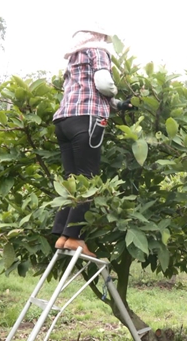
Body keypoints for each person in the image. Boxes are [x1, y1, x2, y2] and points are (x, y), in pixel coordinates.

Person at [51, 24, 135, 257]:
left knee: (72, 179)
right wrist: (115, 91)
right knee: (87, 179)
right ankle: (76, 238)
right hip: (86, 120)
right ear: (100, 36)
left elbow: (86, 90)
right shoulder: (98, 50)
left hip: (64, 121)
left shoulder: (74, 57)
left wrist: (118, 105)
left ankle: (63, 234)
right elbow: (103, 84)